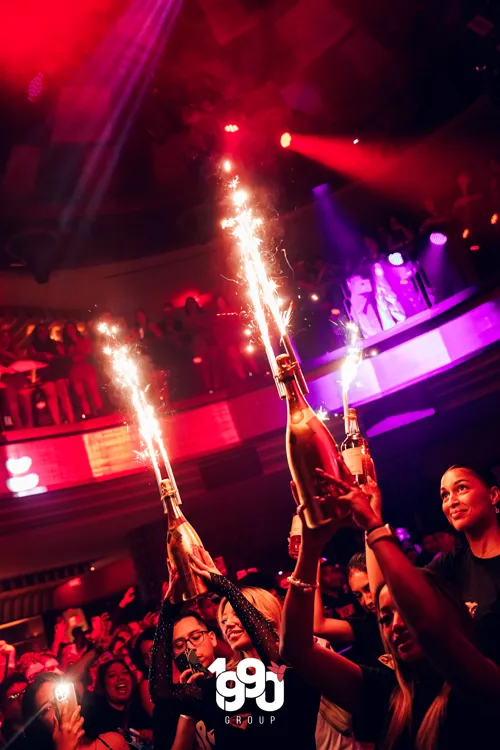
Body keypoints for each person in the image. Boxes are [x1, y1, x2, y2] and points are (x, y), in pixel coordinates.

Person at [280, 470, 500, 750]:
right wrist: (310, 549)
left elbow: (429, 628)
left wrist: (373, 525)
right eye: (384, 618)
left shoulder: (477, 684)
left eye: (405, 611)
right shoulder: (386, 693)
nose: (395, 624)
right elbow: (295, 649)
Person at [150, 556, 319, 750]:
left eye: (236, 614)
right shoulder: (227, 682)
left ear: (266, 617)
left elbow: (275, 661)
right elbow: (160, 695)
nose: (227, 623)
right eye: (223, 619)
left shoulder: (295, 662)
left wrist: (223, 585)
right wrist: (168, 609)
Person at [430, 463, 500, 663]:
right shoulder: (450, 566)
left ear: (493, 496)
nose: (451, 501)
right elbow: (390, 593)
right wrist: (370, 521)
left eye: (461, 488)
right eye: (445, 495)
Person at [22, 673, 129, 750]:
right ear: (39, 724)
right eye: (47, 708)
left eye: (61, 698)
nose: (60, 708)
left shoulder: (113, 741)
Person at [314, 551, 384, 668]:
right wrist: (311, 561)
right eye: (358, 595)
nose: (367, 601)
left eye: (368, 588)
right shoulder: (369, 625)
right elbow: (318, 626)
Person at [81, 659, 150, 741]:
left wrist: (151, 735)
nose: (120, 678)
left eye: (124, 673)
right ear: (103, 685)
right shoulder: (95, 719)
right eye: (112, 675)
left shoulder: (141, 708)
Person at [27, 325, 74, 426]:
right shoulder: (33, 346)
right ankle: (57, 423)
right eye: (40, 331)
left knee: (64, 395)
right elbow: (31, 357)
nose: (42, 333)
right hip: (45, 373)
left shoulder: (54, 344)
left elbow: (63, 356)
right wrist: (42, 355)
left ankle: (71, 421)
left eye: (44, 331)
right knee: (52, 397)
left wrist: (53, 357)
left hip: (58, 371)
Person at [62, 323, 102, 418]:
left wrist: (77, 355)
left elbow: (88, 352)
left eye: (72, 328)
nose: (70, 330)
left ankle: (99, 411)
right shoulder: (66, 346)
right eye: (68, 329)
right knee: (81, 395)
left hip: (86, 367)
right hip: (75, 370)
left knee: (93, 390)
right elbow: (69, 359)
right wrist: (79, 354)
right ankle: (88, 413)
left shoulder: (84, 340)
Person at [0, 673, 29, 749]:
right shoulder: (3, 741)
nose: (22, 698)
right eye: (14, 696)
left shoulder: (44, 726)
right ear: (3, 709)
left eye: (25, 692)